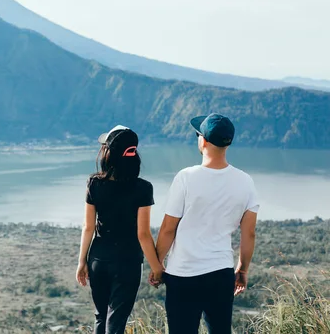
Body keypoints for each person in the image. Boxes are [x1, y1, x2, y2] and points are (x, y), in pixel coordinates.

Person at [154, 113, 259, 334]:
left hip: (182, 275)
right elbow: (249, 234)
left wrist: (157, 265)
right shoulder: (245, 182)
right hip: (220, 273)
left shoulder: (185, 177)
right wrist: (243, 269)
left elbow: (167, 229)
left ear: (203, 140)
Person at [76, 125, 164, 334]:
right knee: (116, 323)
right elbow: (142, 234)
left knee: (101, 317)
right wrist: (157, 268)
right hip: (127, 261)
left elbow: (88, 227)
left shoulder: (94, 183)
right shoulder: (143, 188)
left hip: (98, 258)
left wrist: (82, 261)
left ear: (108, 153)